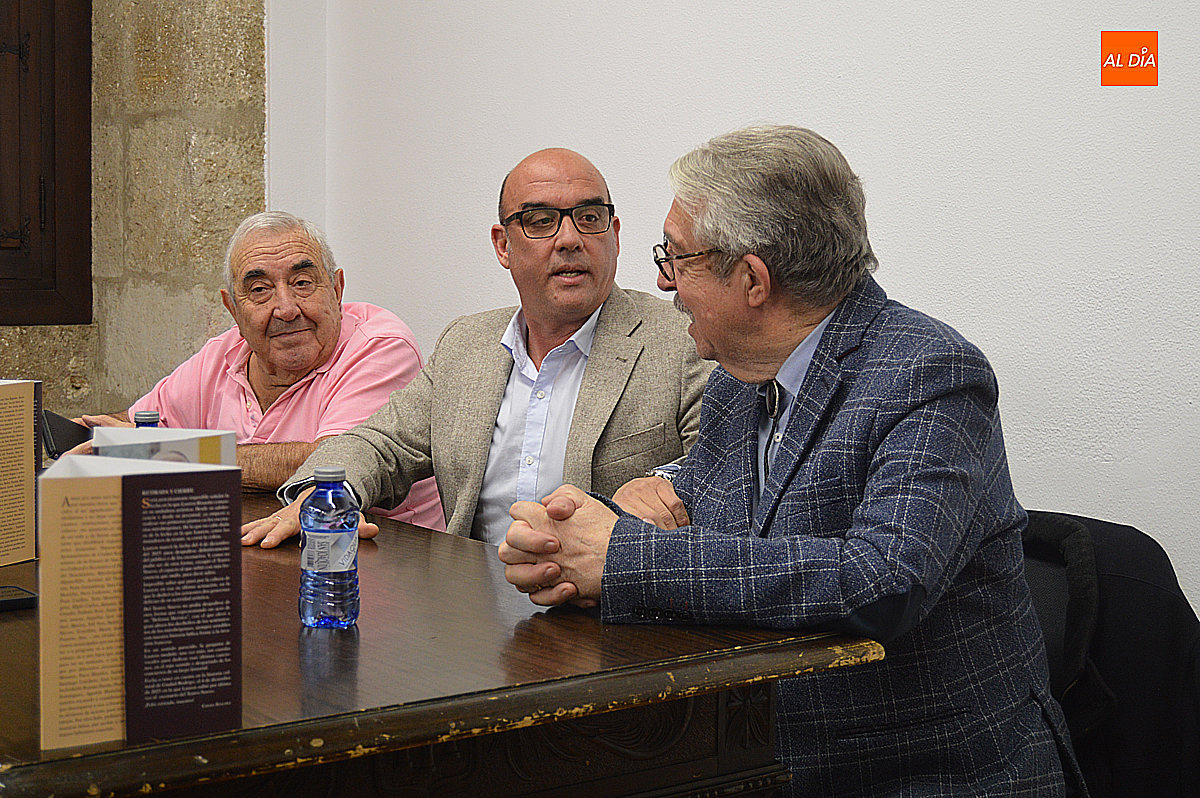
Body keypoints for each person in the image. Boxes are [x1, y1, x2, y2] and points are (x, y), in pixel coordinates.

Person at [499, 127, 1084, 796]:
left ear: (752, 280)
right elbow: (696, 515)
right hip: (757, 756)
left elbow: (881, 582)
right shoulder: (737, 378)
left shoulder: (929, 373)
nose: (663, 281)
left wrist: (621, 558)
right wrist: (569, 538)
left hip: (926, 775)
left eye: (676, 257)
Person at [240, 148, 711, 548]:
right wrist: (324, 494)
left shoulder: (683, 340)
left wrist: (659, 492)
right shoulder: (466, 345)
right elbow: (381, 444)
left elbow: (721, 477)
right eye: (541, 221)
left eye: (589, 219)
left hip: (604, 608)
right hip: (471, 603)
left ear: (615, 235)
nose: (570, 239)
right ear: (503, 246)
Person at [78, 211, 444, 529]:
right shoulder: (226, 352)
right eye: (259, 290)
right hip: (256, 547)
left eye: (302, 283)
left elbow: (336, 462)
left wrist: (166, 453)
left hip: (377, 559)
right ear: (233, 309)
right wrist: (86, 437)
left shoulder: (380, 346)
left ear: (337, 289)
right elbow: (138, 424)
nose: (286, 309)